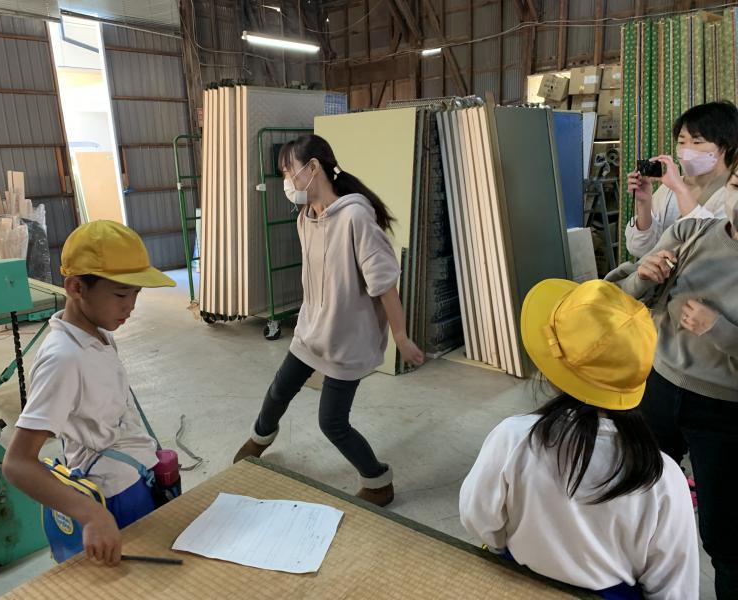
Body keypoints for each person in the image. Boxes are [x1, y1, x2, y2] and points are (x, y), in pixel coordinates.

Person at [459, 279, 698, 599]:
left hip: (518, 585)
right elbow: (674, 588)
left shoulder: (513, 438)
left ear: (553, 373)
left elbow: (478, 521)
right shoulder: (662, 477)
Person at [232, 134, 424, 507]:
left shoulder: (355, 217)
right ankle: (260, 438)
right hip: (310, 331)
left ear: (313, 168)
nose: (286, 181)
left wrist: (400, 337)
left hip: (346, 341)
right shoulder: (305, 218)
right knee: (278, 390)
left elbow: (385, 284)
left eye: (288, 171)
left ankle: (378, 482)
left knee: (331, 422)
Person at [3, 220, 176, 566]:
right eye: (121, 295)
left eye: (136, 294)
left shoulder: (98, 335)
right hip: (112, 498)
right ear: (76, 287)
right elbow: (17, 463)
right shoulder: (63, 358)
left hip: (136, 480)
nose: (130, 307)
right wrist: (91, 515)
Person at [608, 168, 738, 599]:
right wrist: (643, 277)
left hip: (724, 412)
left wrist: (721, 330)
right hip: (659, 386)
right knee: (633, 495)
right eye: (737, 187)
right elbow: (625, 295)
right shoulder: (691, 232)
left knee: (725, 538)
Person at [625, 100, 738, 257]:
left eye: (697, 142)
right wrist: (644, 203)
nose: (686, 150)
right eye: (681, 142)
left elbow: (714, 249)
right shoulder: (667, 190)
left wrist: (680, 190)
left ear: (727, 146)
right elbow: (639, 249)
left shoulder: (732, 191)